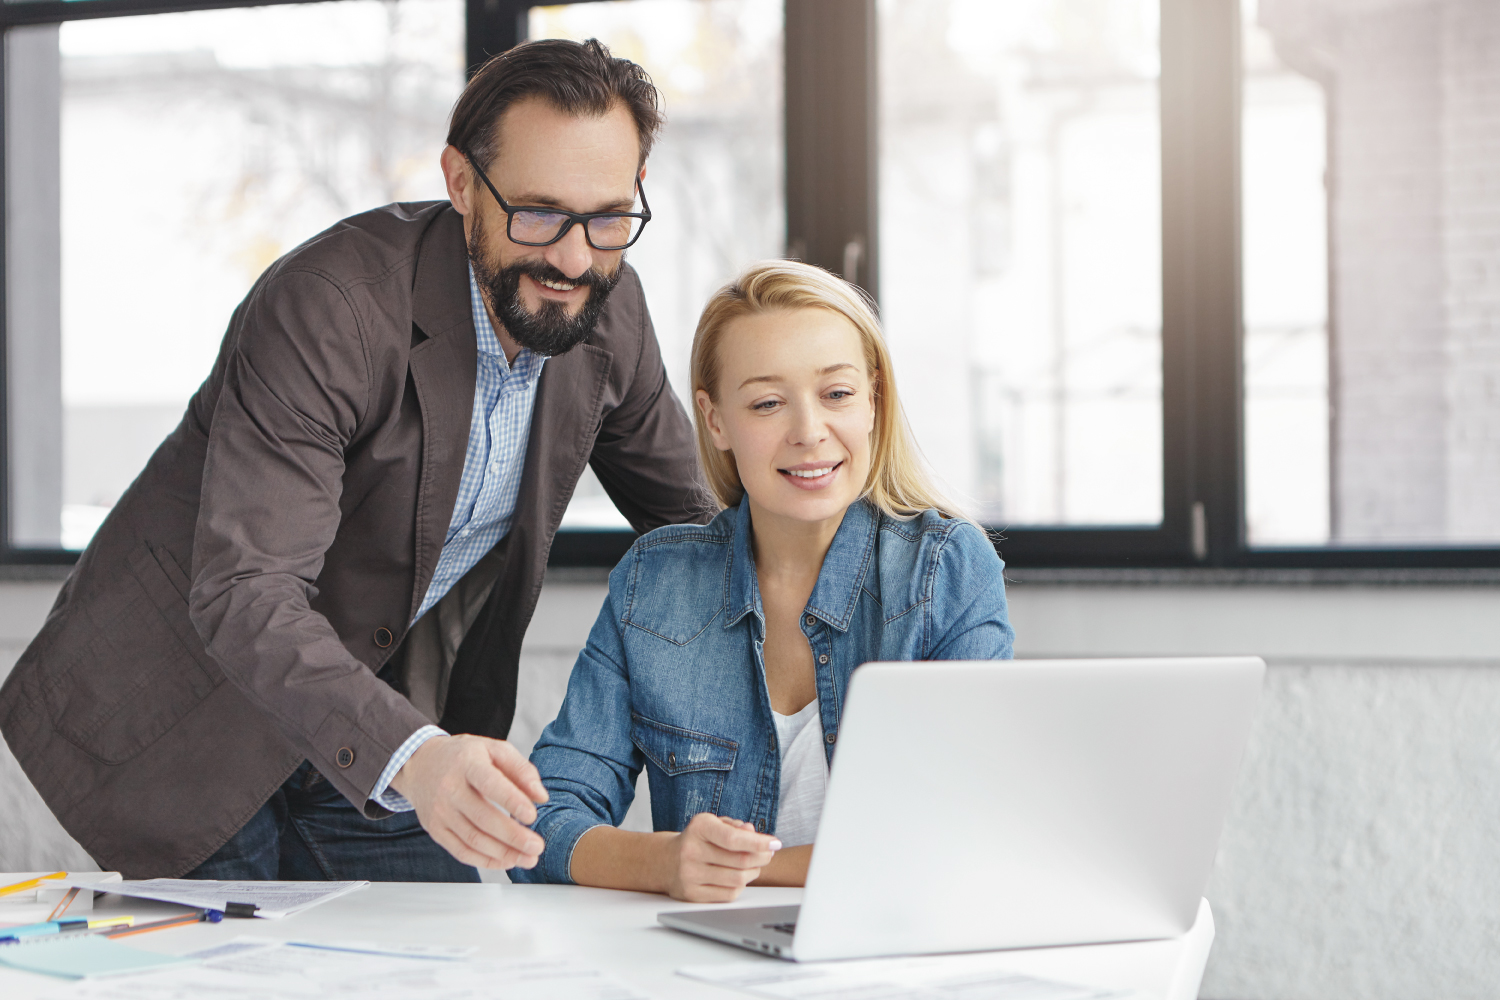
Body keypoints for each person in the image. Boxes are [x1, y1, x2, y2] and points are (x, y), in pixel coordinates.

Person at [0, 38, 705, 881]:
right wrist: (416, 758)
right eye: (540, 214)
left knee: (437, 964)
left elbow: (699, 531)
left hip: (375, 711)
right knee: (246, 976)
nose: (575, 258)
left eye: (609, 218)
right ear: (459, 182)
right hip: (192, 703)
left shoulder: (608, 311)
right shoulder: (331, 307)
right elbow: (246, 589)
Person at [510, 260, 1014, 901]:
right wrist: (663, 863)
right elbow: (543, 822)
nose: (808, 432)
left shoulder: (947, 570)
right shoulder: (655, 583)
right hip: (712, 967)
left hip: (897, 953)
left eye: (837, 394)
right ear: (715, 420)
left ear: (874, 403)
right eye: (768, 403)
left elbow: (960, 833)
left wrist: (734, 869)